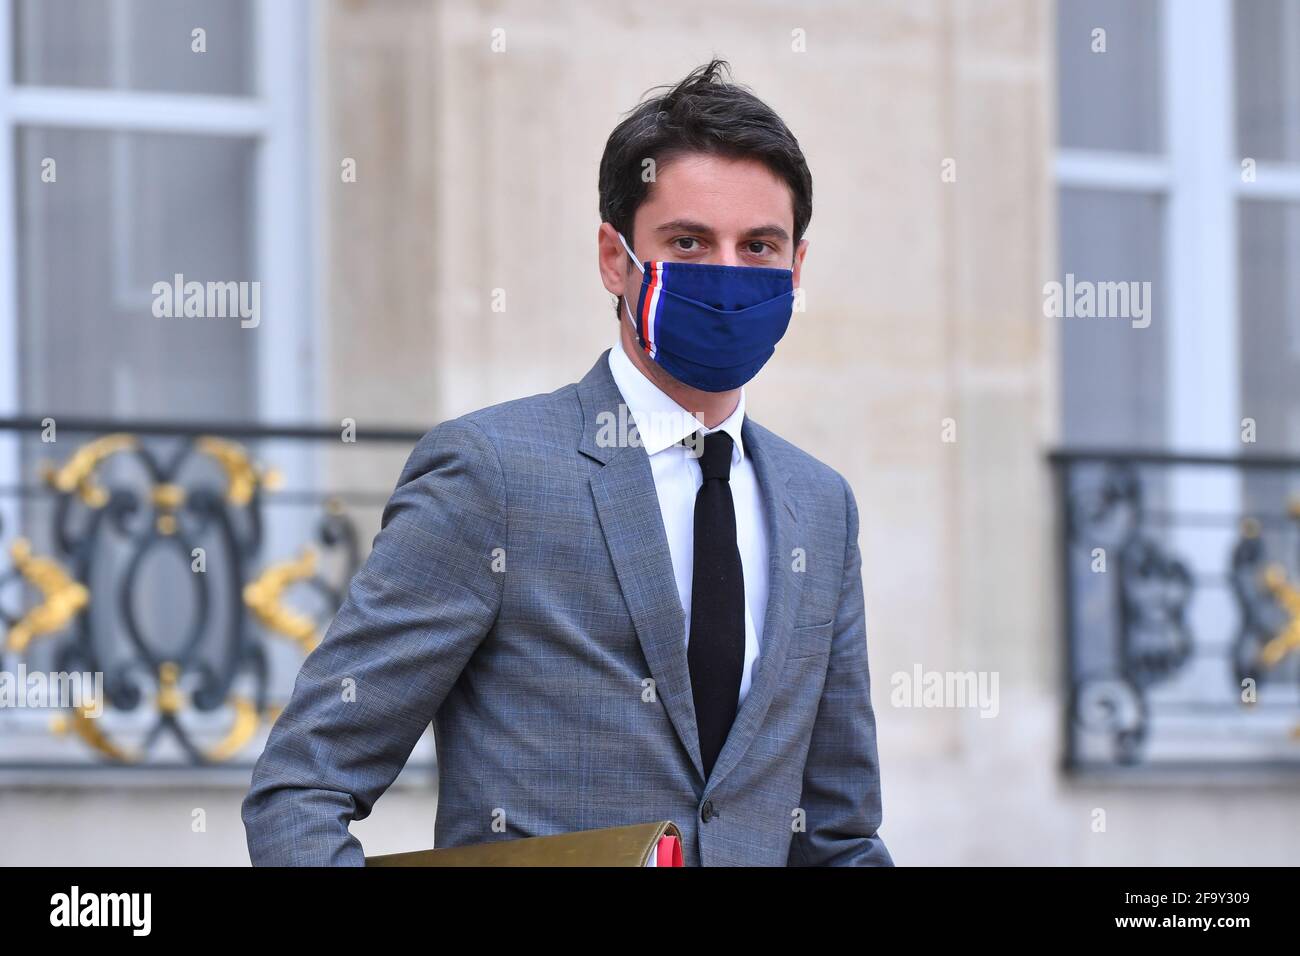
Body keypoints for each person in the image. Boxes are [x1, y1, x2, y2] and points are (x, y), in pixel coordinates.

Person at [242, 58, 892, 867]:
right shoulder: (493, 475)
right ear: (615, 260)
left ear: (797, 270)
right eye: (688, 241)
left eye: (759, 246)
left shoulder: (819, 506)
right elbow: (303, 786)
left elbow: (838, 836)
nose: (727, 273)